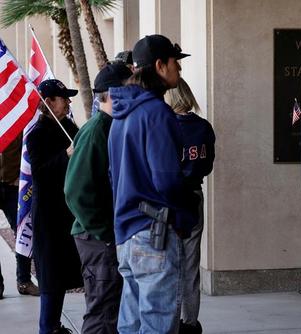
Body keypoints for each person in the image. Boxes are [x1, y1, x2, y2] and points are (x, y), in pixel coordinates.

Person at [108, 35, 200, 333]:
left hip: (127, 234)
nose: (179, 70)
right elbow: (168, 181)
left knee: (132, 325)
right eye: (176, 62)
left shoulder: (121, 114)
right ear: (160, 65)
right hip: (154, 234)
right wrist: (188, 210)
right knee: (158, 325)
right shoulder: (156, 113)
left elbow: (114, 176)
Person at [64, 63, 132, 334]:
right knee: (102, 312)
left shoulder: (111, 127)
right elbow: (76, 191)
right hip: (96, 238)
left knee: (112, 310)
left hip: (103, 235)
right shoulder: (97, 131)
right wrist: (106, 234)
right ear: (114, 94)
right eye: (131, 88)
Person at [27, 79, 83, 334]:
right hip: (49, 218)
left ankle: (55, 327)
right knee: (51, 279)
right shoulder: (37, 135)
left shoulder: (69, 126)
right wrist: (66, 155)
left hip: (70, 213)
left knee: (67, 274)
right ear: (48, 103)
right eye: (64, 98)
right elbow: (39, 174)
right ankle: (47, 327)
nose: (69, 102)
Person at [165, 78, 216, 334]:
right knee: (191, 264)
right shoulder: (203, 127)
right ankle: (191, 322)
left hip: (171, 201)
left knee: (171, 265)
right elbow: (207, 165)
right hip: (195, 196)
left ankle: (173, 322)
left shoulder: (165, 127)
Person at [0, 135, 39, 297]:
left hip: (12, 185)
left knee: (23, 231)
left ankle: (24, 281)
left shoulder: (13, 113)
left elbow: (25, 147)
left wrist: (21, 176)